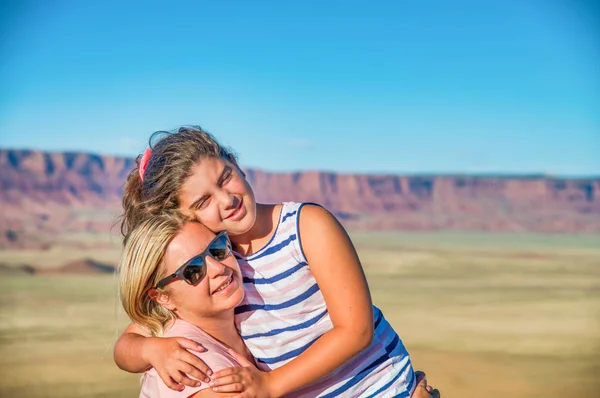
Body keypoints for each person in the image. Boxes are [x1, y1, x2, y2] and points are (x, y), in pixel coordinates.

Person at [115, 126, 440, 397]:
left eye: (225, 178)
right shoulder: (215, 260)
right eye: (204, 200)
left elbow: (356, 331)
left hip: (383, 388)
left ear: (237, 164)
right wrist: (152, 351)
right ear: (186, 216)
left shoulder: (306, 227)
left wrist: (271, 384)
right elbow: (129, 343)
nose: (226, 199)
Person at [119, 213, 437, 398]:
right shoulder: (192, 367)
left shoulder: (236, 314)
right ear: (160, 296)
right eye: (193, 272)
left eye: (217, 249)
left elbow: (130, 343)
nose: (218, 269)